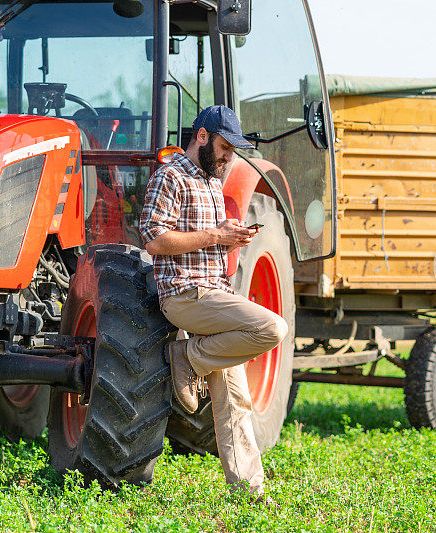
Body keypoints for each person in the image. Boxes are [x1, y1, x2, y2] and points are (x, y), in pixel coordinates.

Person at [139, 105, 287, 503]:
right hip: (186, 295)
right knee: (273, 328)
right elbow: (154, 240)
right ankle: (187, 356)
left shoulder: (211, 183)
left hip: (214, 293)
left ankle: (249, 494)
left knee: (235, 399)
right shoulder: (170, 176)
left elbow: (211, 236)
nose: (228, 157)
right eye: (224, 147)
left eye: (232, 151)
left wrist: (231, 238)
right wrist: (214, 235)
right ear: (201, 136)